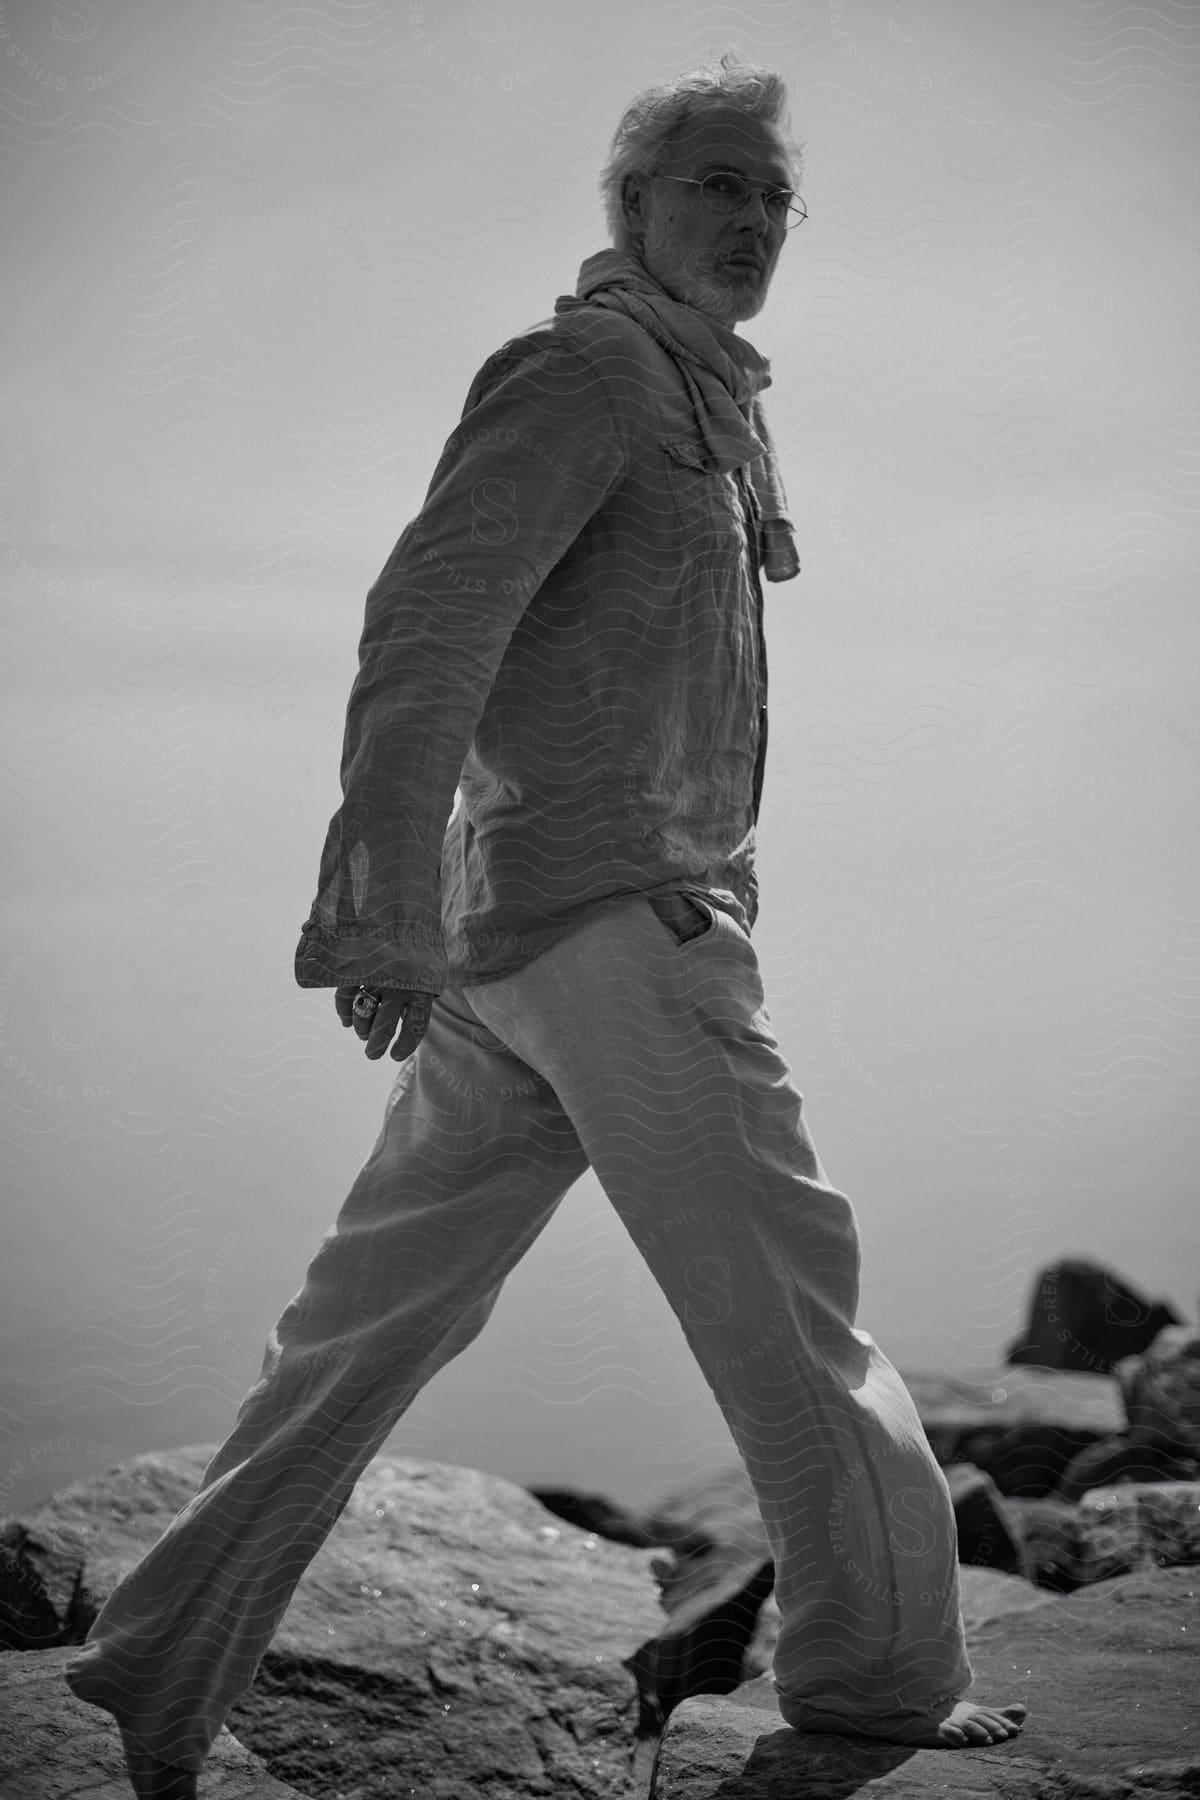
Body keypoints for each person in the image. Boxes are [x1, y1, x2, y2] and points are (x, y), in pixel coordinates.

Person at [63, 53, 1028, 1798]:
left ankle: (146, 1663)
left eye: (772, 198)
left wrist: (436, 919)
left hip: (529, 943)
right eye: (714, 187)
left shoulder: (701, 400)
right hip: (611, 939)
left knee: (356, 1339)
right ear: (632, 212)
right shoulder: (586, 375)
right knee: (797, 1317)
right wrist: (385, 909)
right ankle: (883, 1683)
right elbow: (429, 627)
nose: (750, 221)